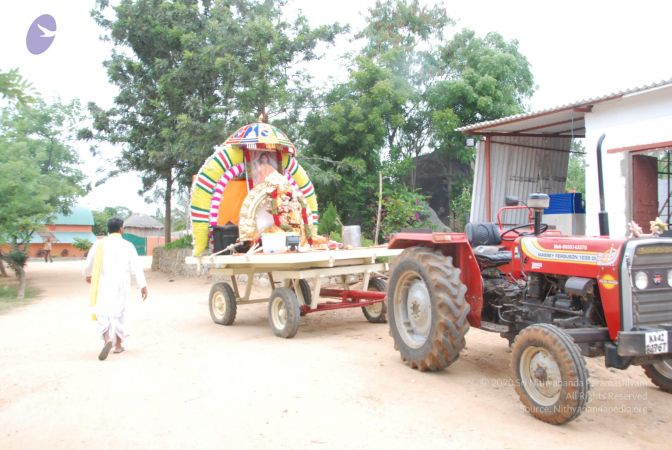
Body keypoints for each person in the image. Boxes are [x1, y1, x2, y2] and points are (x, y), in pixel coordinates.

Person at [84, 218, 148, 360]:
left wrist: (88, 274)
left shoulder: (98, 245)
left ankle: (107, 339)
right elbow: (136, 266)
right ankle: (118, 345)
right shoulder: (128, 245)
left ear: (108, 229)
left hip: (103, 283)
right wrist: (142, 285)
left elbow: (89, 262)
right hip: (122, 284)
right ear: (121, 229)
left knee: (102, 311)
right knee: (119, 312)